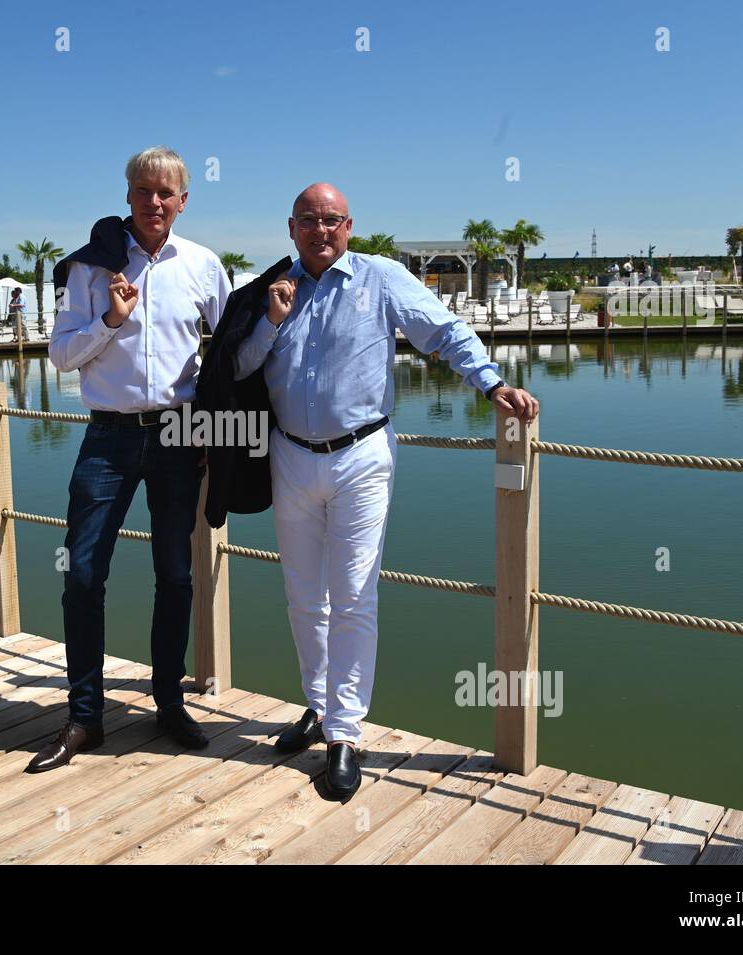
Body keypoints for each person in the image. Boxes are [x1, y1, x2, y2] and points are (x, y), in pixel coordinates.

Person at [234, 183, 539, 799]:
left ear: (349, 227)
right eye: (309, 221)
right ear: (291, 228)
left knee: (352, 595)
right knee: (301, 598)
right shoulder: (271, 290)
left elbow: (445, 332)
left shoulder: (382, 278)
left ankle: (345, 734)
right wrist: (271, 321)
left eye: (333, 220)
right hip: (290, 456)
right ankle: (317, 708)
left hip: (360, 456)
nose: (321, 230)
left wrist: (491, 385)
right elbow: (237, 367)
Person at [28, 146, 232, 773]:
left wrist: (222, 434)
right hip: (108, 438)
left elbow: (225, 359)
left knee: (175, 574)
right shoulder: (93, 270)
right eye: (143, 191)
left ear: (183, 200)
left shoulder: (203, 266)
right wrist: (111, 322)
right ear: (128, 196)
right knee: (83, 573)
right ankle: (85, 716)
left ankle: (167, 703)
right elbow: (61, 355)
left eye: (166, 192)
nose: (154, 202)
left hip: (178, 436)